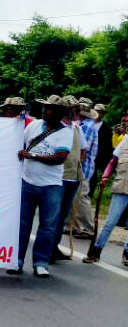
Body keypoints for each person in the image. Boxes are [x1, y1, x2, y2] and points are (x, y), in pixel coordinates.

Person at [11, 95, 71, 278]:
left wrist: (32, 156)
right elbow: (19, 145)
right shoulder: (33, 125)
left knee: (47, 226)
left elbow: (60, 158)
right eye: (44, 107)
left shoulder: (66, 132)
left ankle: (40, 262)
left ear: (60, 113)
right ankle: (17, 260)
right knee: (22, 223)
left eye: (50, 108)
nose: (45, 110)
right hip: (27, 181)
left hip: (51, 186)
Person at [83, 134, 128, 267]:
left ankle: (127, 254)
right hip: (122, 186)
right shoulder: (125, 140)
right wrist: (105, 176)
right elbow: (113, 161)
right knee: (110, 222)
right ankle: (95, 251)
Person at [52, 95, 84, 263]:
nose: (75, 113)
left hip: (73, 178)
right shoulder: (54, 128)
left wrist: (77, 166)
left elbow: (83, 150)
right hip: (58, 178)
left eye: (76, 110)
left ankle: (54, 247)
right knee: (54, 215)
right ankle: (48, 249)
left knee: (63, 214)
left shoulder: (77, 129)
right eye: (72, 110)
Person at [66, 98, 99, 239]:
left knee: (82, 197)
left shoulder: (87, 126)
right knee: (73, 197)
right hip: (79, 166)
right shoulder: (82, 124)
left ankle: (87, 228)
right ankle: (71, 226)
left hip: (82, 167)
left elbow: (82, 149)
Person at [91, 103, 112, 196]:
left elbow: (108, 148)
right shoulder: (87, 125)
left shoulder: (106, 129)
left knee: (92, 179)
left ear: (102, 114)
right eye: (95, 111)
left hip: (98, 158)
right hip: (86, 157)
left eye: (99, 112)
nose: (97, 114)